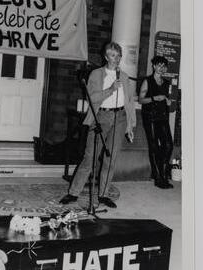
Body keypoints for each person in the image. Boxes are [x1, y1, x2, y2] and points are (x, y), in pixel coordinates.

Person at [59, 41, 136, 208]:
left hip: (120, 117)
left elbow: (130, 102)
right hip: (101, 116)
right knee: (90, 157)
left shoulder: (124, 77)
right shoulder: (96, 74)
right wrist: (111, 89)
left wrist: (130, 126)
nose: (116, 59)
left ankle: (103, 194)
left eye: (119, 56)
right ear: (106, 56)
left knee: (111, 159)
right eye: (113, 55)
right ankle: (73, 193)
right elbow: (91, 98)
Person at [138, 56, 173, 189]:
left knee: (168, 145)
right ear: (153, 66)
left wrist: (168, 101)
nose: (162, 68)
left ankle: (162, 173)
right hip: (150, 116)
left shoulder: (167, 83)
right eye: (159, 65)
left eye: (164, 66)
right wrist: (154, 98)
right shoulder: (147, 81)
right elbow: (141, 100)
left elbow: (168, 98)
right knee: (153, 146)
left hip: (162, 117)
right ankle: (158, 177)